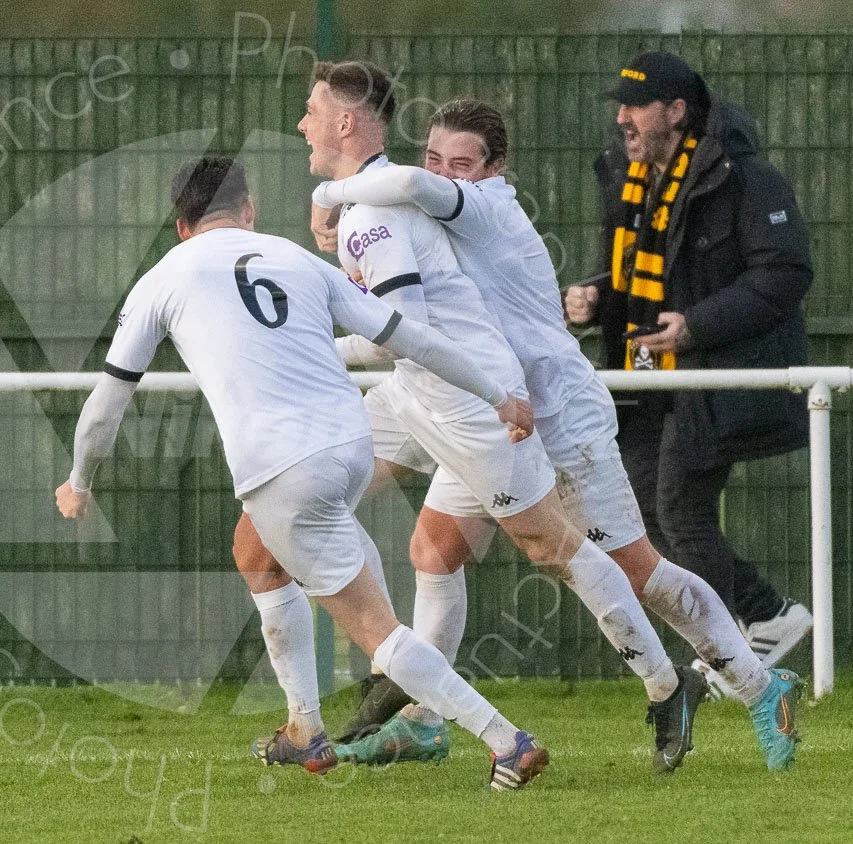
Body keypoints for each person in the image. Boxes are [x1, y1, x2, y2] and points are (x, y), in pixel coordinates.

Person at [233, 58, 709, 775]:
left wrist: (311, 350)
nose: (301, 124)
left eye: (311, 110)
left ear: (345, 121)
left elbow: (401, 332)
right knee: (278, 524)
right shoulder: (369, 207)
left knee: (554, 548)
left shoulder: (371, 218)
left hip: (468, 403)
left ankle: (666, 687)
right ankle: (346, 710)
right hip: (413, 394)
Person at [311, 97, 802, 771]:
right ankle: (426, 719)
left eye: (462, 163)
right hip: (489, 409)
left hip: (557, 415)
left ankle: (758, 685)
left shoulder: (483, 206)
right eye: (435, 157)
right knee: (434, 550)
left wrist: (329, 194)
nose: (445, 172)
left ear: (495, 170)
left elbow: (406, 186)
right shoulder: (422, 215)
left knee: (637, 570)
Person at [54, 156, 551, 790]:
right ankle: (303, 731)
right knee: (254, 550)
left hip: (283, 468)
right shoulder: (296, 259)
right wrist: (498, 394)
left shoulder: (164, 277)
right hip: (350, 446)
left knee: (375, 630)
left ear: (181, 226)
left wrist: (79, 480)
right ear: (249, 211)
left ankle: (507, 741)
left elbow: (104, 409)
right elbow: (412, 338)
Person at [565, 51, 815, 693]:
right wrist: (596, 297)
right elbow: (638, 276)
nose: (622, 119)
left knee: (680, 509)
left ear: (676, 111)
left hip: (710, 379)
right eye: (620, 106)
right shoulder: (627, 177)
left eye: (636, 106)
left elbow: (785, 273)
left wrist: (695, 326)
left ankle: (729, 649)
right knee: (644, 516)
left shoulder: (747, 180)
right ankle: (766, 615)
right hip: (645, 376)